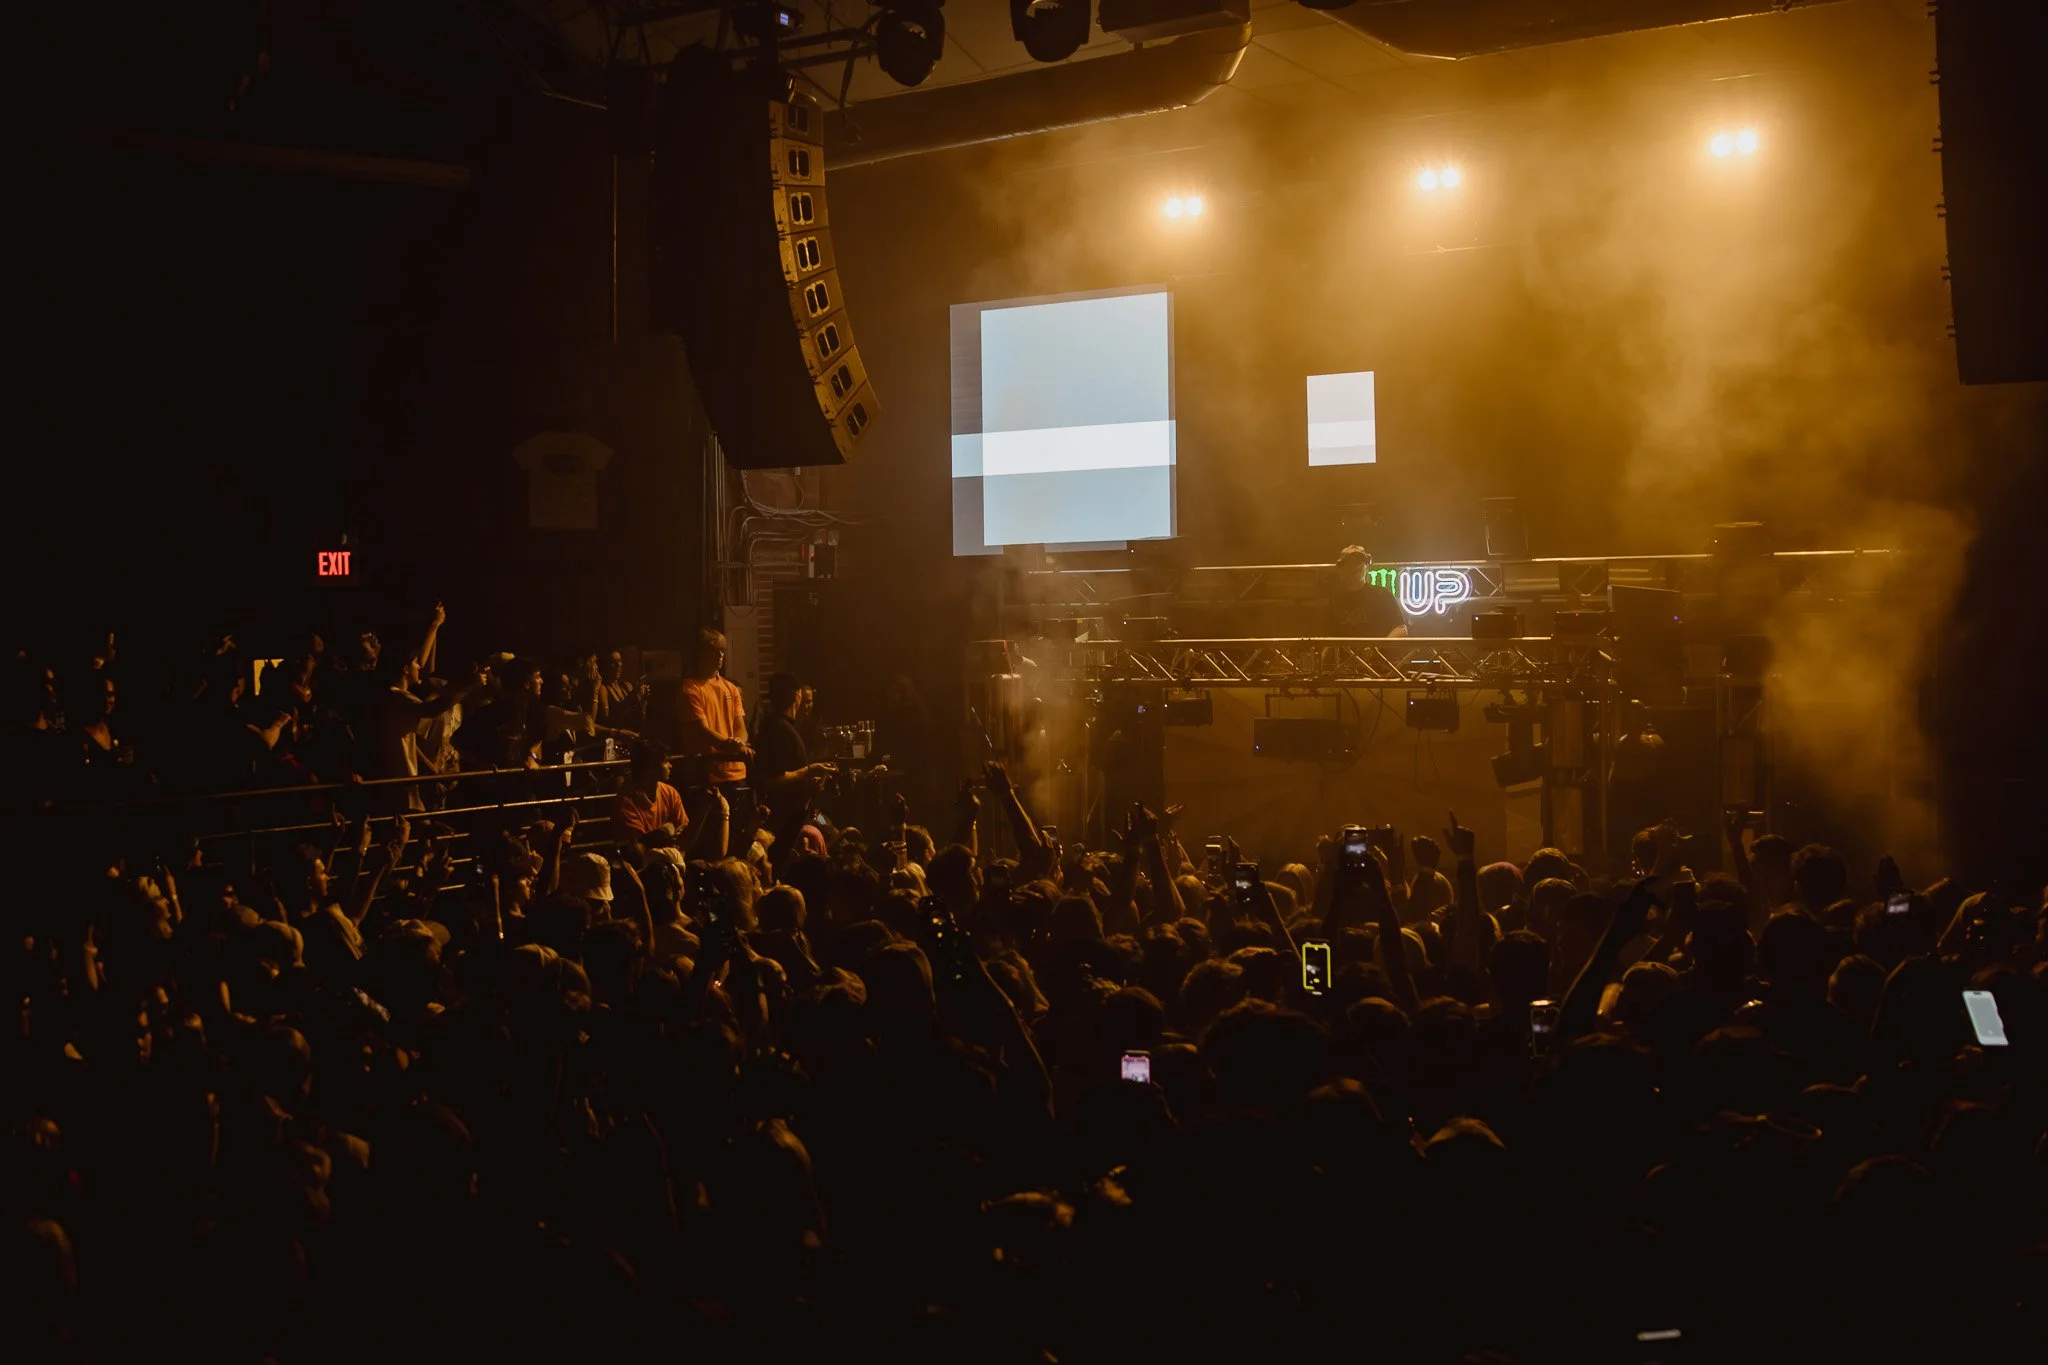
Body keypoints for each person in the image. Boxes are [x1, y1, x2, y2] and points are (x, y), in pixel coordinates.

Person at [678, 626, 753, 825]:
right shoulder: (691, 688)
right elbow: (702, 730)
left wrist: (739, 741)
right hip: (708, 775)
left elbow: (740, 726)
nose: (719, 655)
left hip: (737, 773)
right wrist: (731, 745)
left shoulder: (731, 688)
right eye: (714, 650)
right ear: (700, 653)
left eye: (722, 650)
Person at [754, 672, 834, 811]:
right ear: (797, 694)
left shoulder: (781, 725)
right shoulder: (779, 728)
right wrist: (809, 770)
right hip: (782, 816)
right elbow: (770, 781)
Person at [1326, 545, 1408, 638]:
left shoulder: (1382, 595)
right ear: (1341, 569)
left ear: (1367, 566)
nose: (1356, 567)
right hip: (1344, 653)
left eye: (1359, 562)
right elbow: (1329, 635)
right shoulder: (1335, 600)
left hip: (1375, 652)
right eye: (1350, 562)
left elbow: (1401, 629)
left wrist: (1380, 647)